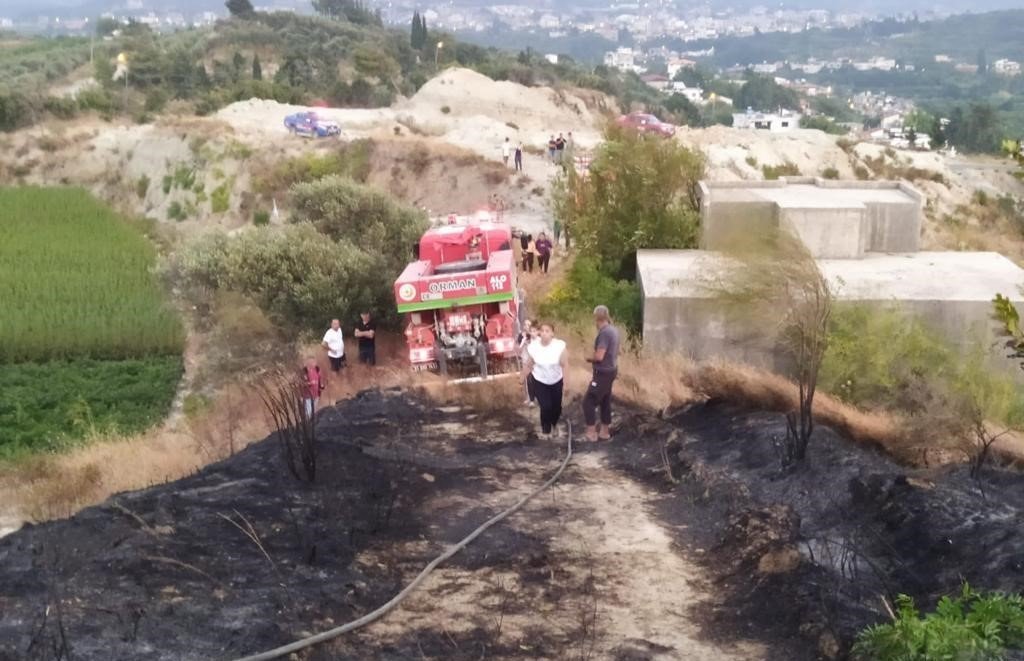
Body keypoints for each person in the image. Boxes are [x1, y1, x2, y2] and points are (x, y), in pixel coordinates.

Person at [521, 322, 568, 439]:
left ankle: (554, 424)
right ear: (539, 333)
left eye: (547, 331)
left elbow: (565, 364)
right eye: (542, 331)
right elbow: (529, 364)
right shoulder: (534, 347)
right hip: (540, 380)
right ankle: (546, 430)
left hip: (556, 380)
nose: (544, 333)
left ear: (552, 334)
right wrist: (521, 377)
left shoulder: (559, 346)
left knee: (556, 407)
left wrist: (566, 383)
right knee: (545, 406)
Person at [583, 305, 620, 442]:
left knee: (588, 401)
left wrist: (588, 358)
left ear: (597, 318)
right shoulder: (614, 330)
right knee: (605, 401)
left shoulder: (604, 333)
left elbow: (599, 356)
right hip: (611, 370)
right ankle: (604, 432)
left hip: (603, 372)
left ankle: (591, 433)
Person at [517, 319, 535, 406]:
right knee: (528, 380)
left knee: (535, 380)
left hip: (534, 361)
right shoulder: (521, 336)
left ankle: (535, 398)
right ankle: (530, 399)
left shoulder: (534, 335)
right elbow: (519, 347)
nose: (526, 326)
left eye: (528, 324)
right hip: (525, 360)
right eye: (525, 324)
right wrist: (523, 340)